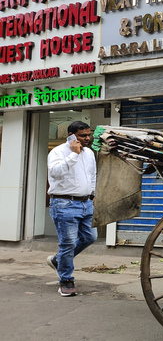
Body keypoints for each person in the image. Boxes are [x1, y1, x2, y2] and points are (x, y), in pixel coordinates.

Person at [46, 121, 97, 297]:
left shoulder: (89, 153)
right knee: (67, 243)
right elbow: (54, 172)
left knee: (90, 237)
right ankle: (66, 280)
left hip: (86, 203)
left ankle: (58, 260)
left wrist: (92, 194)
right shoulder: (58, 152)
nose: (87, 138)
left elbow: (92, 175)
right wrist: (73, 155)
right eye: (83, 135)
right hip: (64, 203)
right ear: (71, 135)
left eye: (88, 135)